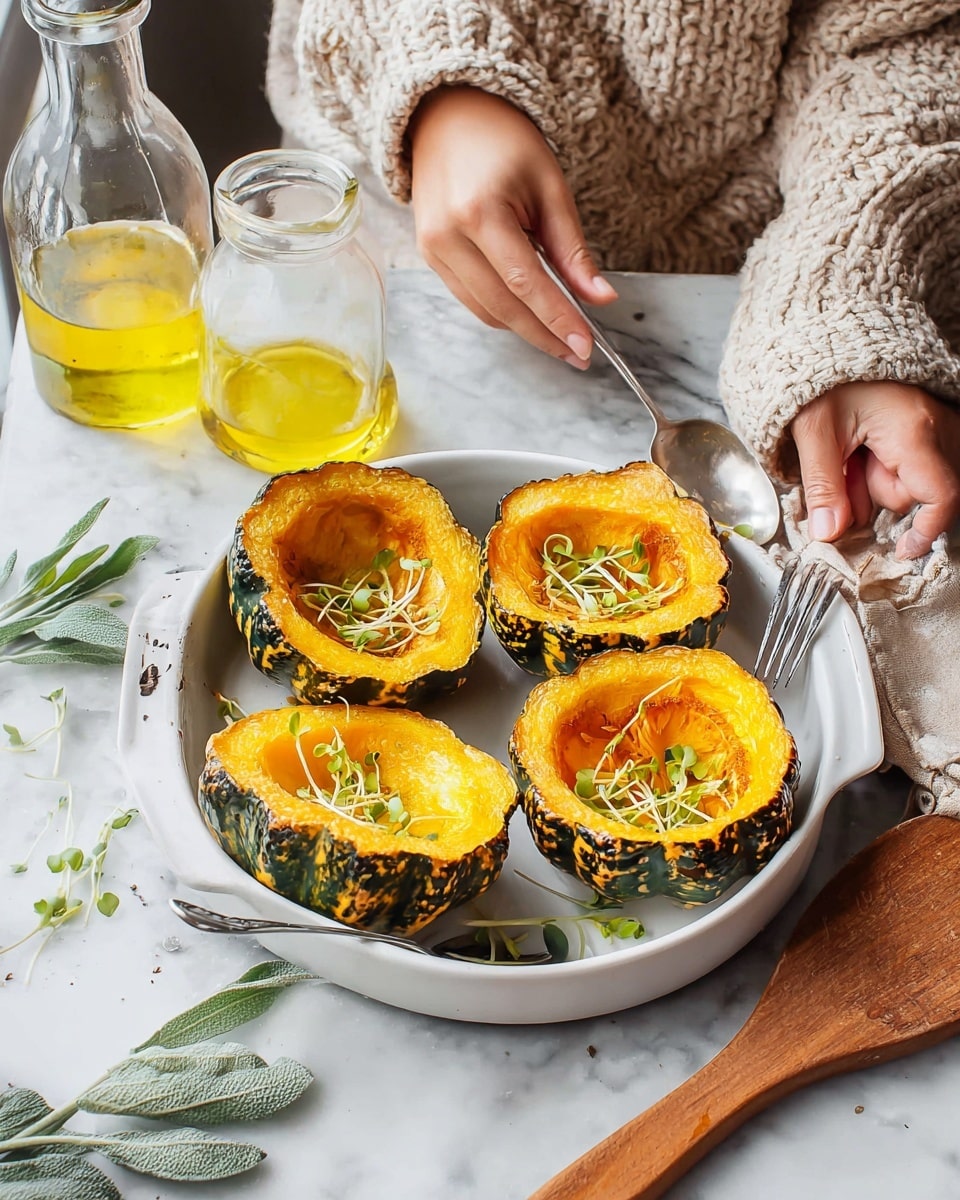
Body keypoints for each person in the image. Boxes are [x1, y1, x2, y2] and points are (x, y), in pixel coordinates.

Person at [266, 0, 960, 559]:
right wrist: (443, 85)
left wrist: (845, 284)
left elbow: (911, 36)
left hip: (775, 257)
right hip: (394, 247)